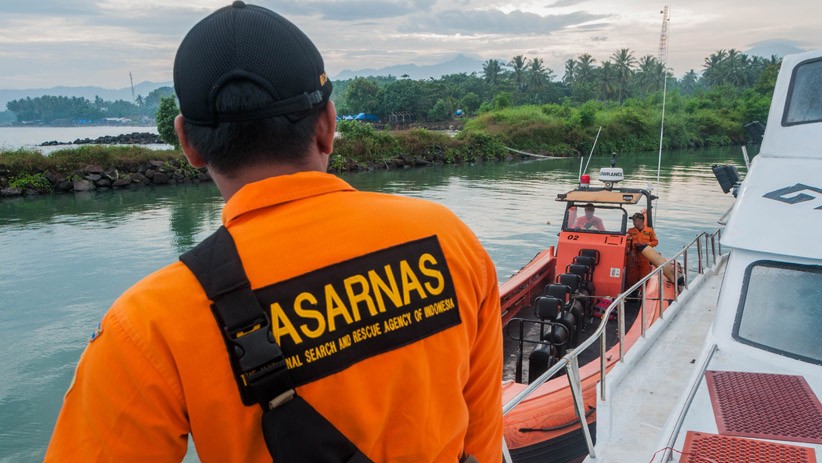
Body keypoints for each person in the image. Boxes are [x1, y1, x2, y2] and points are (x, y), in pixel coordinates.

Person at [45, 3, 503, 462]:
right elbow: (481, 436)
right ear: (327, 125)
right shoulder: (446, 240)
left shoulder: (149, 325)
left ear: (188, 144)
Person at [626, 212, 659, 289]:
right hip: (633, 256)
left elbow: (655, 242)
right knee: (632, 276)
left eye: (635, 220)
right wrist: (634, 244)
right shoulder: (630, 231)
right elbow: (627, 242)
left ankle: (643, 291)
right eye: (633, 220)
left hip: (645, 256)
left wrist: (645, 244)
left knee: (644, 276)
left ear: (641, 221)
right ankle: (632, 292)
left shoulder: (649, 231)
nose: (633, 222)